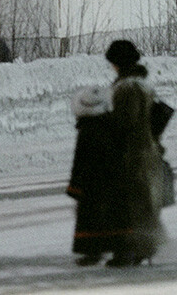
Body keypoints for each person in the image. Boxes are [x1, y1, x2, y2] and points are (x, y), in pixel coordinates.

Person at [100, 39, 167, 267]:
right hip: (146, 149)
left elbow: (126, 123)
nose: (112, 67)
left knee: (128, 204)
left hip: (132, 153)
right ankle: (143, 248)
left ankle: (128, 250)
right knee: (143, 202)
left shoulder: (128, 88)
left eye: (113, 63)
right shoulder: (142, 84)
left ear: (119, 62)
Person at [66, 84, 118, 265]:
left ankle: (92, 251)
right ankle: (114, 248)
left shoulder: (86, 130)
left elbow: (80, 162)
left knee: (89, 218)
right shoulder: (109, 125)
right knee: (110, 216)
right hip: (110, 182)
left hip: (91, 185)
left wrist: (74, 186)